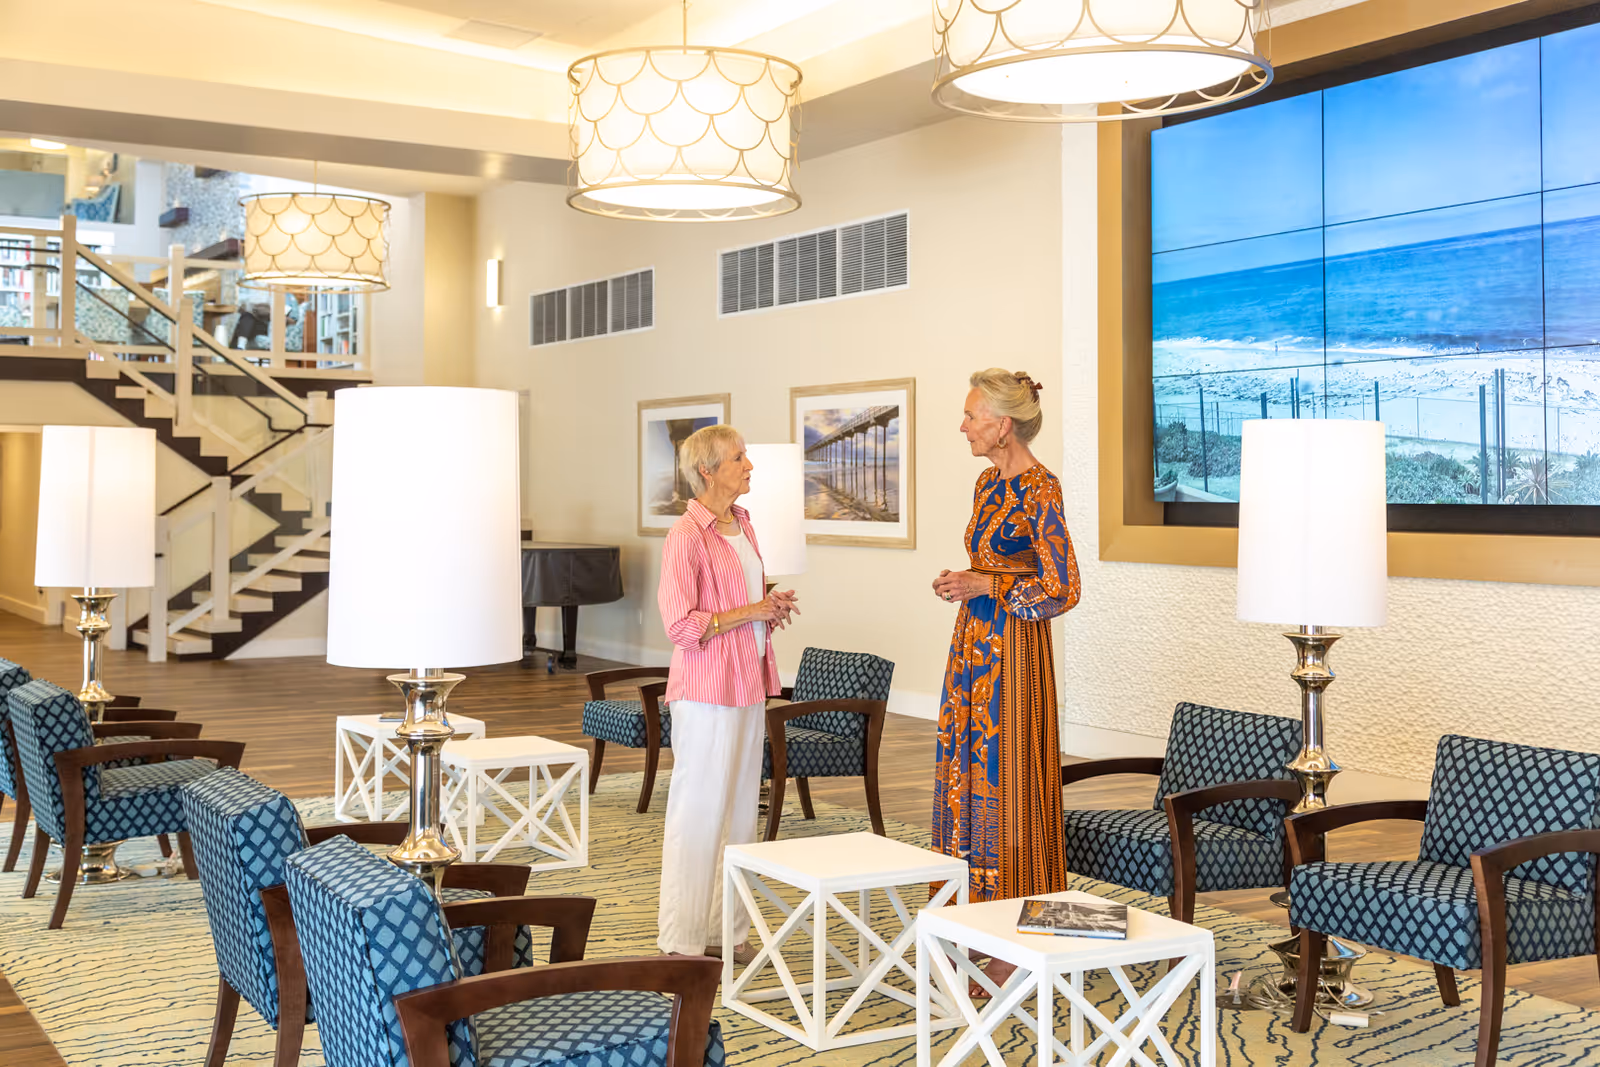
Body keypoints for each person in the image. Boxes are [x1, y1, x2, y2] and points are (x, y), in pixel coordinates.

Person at [932, 368, 1082, 981]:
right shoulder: (986, 483)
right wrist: (967, 584)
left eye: (971, 416)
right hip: (972, 646)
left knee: (1008, 780)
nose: (962, 426)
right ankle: (970, 916)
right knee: (964, 772)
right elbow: (993, 565)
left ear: (1004, 424)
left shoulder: (1041, 488)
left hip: (1015, 654)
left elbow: (1063, 586)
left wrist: (985, 584)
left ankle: (1015, 934)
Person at [656, 424, 800, 958]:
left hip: (749, 680)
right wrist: (750, 612)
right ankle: (682, 938)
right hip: (705, 688)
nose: (750, 466)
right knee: (698, 806)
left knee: (741, 808)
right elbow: (680, 625)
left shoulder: (745, 523)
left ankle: (730, 930)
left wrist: (769, 605)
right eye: (739, 458)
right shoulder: (685, 537)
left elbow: (743, 599)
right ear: (707, 471)